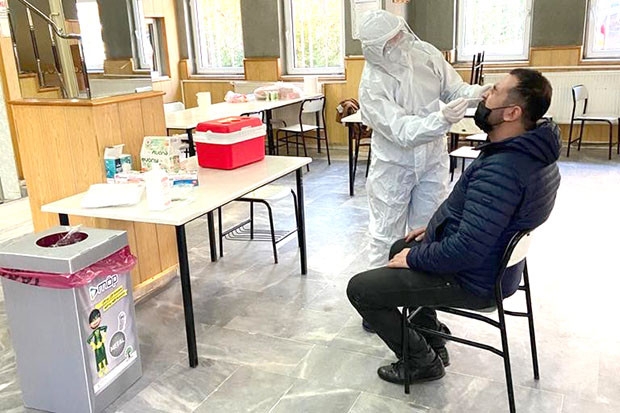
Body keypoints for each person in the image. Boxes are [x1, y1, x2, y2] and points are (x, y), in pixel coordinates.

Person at [347, 68, 561, 386]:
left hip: (475, 280)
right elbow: (486, 220)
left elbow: (467, 249)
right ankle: (431, 338)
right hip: (497, 268)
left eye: (495, 92)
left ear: (512, 113)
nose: (485, 95)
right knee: (400, 246)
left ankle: (421, 362)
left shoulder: (503, 170)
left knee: (361, 289)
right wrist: (434, 229)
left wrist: (416, 258)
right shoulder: (531, 152)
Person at [358, 10, 491, 272]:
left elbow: (454, 88)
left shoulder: (425, 54)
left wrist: (477, 92)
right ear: (375, 49)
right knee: (386, 234)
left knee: (429, 229)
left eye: (398, 35)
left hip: (432, 159)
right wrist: (441, 119)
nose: (398, 43)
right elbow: (402, 131)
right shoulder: (372, 84)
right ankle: (379, 292)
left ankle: (420, 294)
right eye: (389, 42)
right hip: (393, 165)